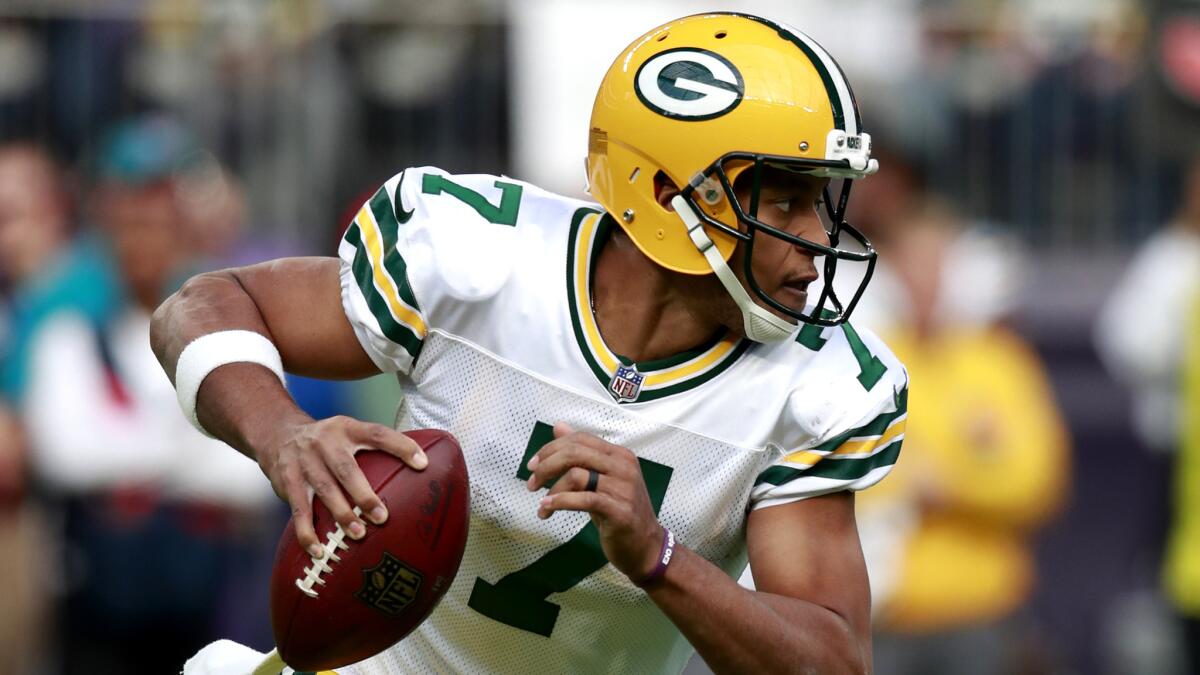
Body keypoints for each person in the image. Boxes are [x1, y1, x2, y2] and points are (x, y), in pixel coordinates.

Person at [160, 13, 908, 674]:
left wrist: (659, 554)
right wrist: (282, 432)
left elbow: (834, 659)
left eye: (820, 201)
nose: (816, 240)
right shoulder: (481, 259)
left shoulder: (812, 385)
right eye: (786, 200)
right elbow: (202, 304)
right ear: (669, 199)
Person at [855, 198, 1069, 675]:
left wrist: (950, 487)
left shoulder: (1000, 363)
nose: (923, 280)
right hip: (887, 615)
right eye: (910, 264)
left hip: (982, 615)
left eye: (936, 264)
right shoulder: (867, 361)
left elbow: (1038, 480)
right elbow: (853, 475)